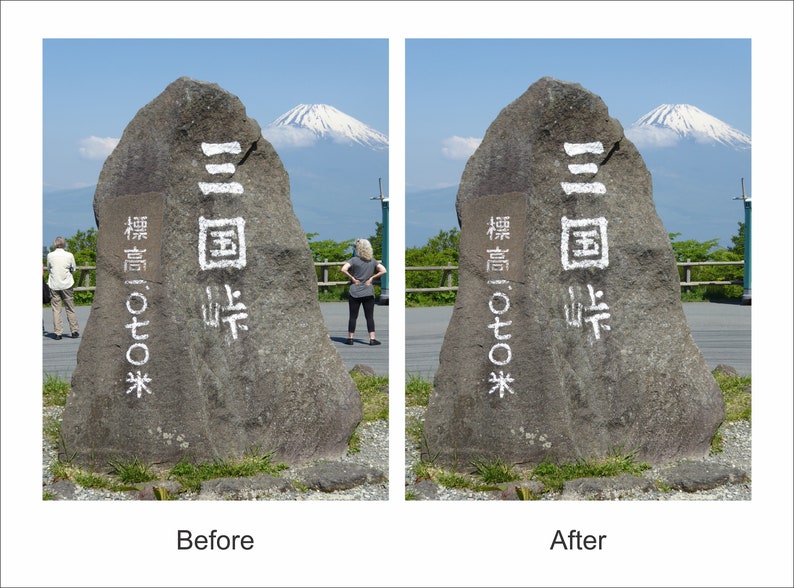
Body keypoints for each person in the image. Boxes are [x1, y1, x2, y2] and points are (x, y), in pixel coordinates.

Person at [340, 238, 387, 345]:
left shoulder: (353, 260)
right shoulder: (373, 261)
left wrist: (352, 278)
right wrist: (372, 278)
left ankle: (350, 339)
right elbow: (384, 270)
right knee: (369, 317)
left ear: (358, 248)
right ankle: (372, 339)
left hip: (354, 291)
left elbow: (343, 269)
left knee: (353, 316)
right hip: (368, 292)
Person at [46, 236, 80, 340]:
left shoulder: (50, 255)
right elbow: (73, 268)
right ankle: (74, 331)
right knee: (70, 308)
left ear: (55, 244)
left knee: (56, 309)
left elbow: (49, 268)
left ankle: (58, 333)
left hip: (54, 284)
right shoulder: (69, 255)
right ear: (64, 244)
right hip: (67, 284)